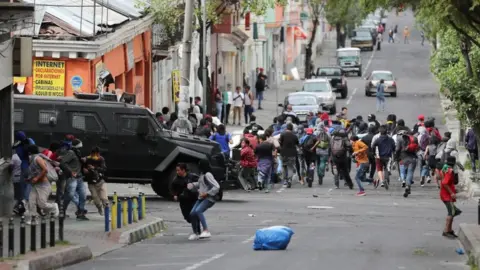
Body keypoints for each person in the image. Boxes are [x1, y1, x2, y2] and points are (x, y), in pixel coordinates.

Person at [26, 145, 59, 224]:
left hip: (43, 185)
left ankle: (54, 206)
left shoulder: (38, 158)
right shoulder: (32, 159)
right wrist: (30, 178)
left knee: (42, 204)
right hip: (35, 185)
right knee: (31, 201)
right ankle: (33, 219)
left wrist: (37, 178)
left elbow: (45, 170)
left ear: (29, 152)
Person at [187, 160, 220, 239]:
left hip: (208, 198)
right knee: (192, 213)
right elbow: (200, 184)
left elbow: (217, 186)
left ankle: (206, 230)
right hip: (202, 197)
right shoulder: (202, 175)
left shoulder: (208, 174)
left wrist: (207, 193)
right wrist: (193, 185)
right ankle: (196, 233)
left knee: (198, 211)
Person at [57, 141, 88, 220]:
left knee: (83, 195)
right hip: (72, 178)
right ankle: (62, 210)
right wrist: (71, 172)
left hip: (79, 177)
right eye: (80, 147)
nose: (81, 149)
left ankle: (80, 212)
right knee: (70, 194)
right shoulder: (71, 153)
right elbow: (63, 163)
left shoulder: (77, 153)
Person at [171, 163, 200, 240]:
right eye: (176, 170)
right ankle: (195, 223)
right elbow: (173, 188)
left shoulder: (192, 176)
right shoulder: (176, 180)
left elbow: (200, 183)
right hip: (183, 201)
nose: (177, 172)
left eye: (179, 170)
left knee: (193, 214)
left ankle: (197, 232)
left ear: (183, 170)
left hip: (194, 199)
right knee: (187, 217)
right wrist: (175, 195)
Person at [440, 156, 462, 238]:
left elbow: (440, 178)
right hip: (447, 195)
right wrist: (451, 193)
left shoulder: (444, 168)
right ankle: (446, 231)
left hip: (445, 193)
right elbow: (445, 183)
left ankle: (449, 230)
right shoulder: (450, 171)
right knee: (451, 212)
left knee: (453, 212)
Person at [83, 147, 108, 215]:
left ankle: (107, 212)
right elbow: (82, 167)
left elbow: (104, 169)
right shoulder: (87, 159)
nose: (97, 155)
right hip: (91, 182)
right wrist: (84, 170)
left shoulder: (101, 159)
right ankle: (99, 208)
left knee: (104, 198)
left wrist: (95, 168)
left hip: (100, 181)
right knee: (95, 198)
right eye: (95, 154)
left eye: (98, 154)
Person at [396, 131, 419, 197]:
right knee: (410, 172)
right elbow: (417, 148)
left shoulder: (400, 139)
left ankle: (404, 181)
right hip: (412, 158)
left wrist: (396, 158)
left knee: (404, 172)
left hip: (403, 158)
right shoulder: (415, 138)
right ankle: (408, 186)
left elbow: (397, 149)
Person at [279, 123, 299, 188]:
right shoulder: (294, 136)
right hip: (292, 154)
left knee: (284, 167)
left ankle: (285, 180)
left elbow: (280, 143)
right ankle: (289, 180)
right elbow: (297, 143)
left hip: (283, 153)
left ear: (286, 128)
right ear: (292, 129)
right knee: (290, 167)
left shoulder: (282, 134)